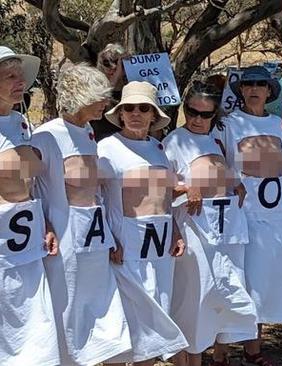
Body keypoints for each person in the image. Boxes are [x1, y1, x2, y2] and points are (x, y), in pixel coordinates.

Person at [31, 63, 132, 365]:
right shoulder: (45, 136)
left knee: (105, 310)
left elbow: (94, 190)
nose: (106, 104)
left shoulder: (88, 132)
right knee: (68, 310)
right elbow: (33, 188)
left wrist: (110, 235)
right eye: (100, 97)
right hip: (65, 243)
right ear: (80, 96)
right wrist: (45, 225)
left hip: (96, 240)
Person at [164, 81, 258, 366]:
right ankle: (190, 359)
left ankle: (219, 353)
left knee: (223, 291)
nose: (197, 119)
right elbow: (161, 185)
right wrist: (184, 188)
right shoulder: (174, 141)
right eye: (192, 111)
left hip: (225, 228)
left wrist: (235, 183)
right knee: (195, 294)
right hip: (195, 229)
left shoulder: (217, 139)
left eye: (205, 115)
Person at [99, 81, 188, 365]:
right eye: (129, 108)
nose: (136, 113)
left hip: (161, 241)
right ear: (121, 113)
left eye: (143, 108)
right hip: (127, 240)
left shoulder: (158, 148)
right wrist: (110, 238)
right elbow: (97, 198)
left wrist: (174, 230)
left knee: (155, 308)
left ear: (153, 115)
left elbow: (164, 196)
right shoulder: (107, 148)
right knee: (126, 310)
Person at [222, 66, 282, 366]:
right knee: (239, 278)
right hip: (244, 214)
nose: (253, 89)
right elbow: (222, 165)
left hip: (275, 215)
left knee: (264, 282)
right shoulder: (230, 124)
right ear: (241, 90)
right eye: (248, 84)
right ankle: (221, 352)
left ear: (269, 90)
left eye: (260, 85)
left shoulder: (278, 125)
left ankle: (254, 350)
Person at [0, 45, 59, 366]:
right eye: (9, 76)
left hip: (29, 245)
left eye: (20, 76)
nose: (19, 82)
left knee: (34, 328)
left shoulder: (22, 122)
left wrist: (45, 224)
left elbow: (30, 183)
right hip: (2, 250)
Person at [92, 43, 129, 141]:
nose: (113, 67)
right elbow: (100, 99)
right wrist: (116, 76)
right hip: (102, 143)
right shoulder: (95, 89)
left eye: (117, 62)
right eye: (106, 63)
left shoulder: (130, 90)